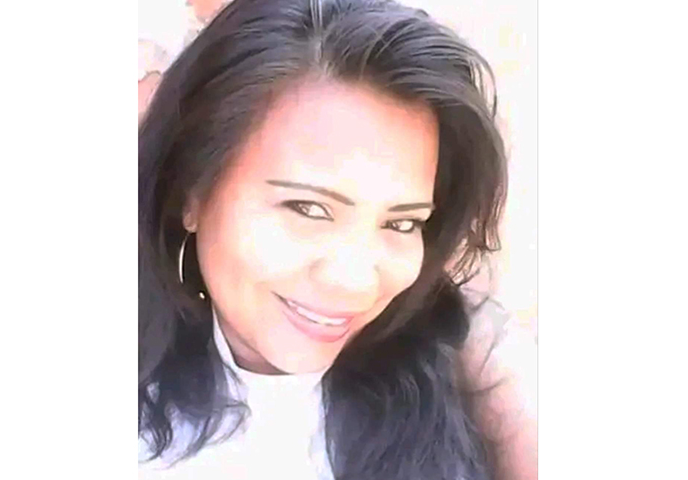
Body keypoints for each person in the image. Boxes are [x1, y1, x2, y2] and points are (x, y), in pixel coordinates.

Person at [138, 0, 537, 479]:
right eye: (308, 209)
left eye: (401, 223)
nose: (355, 281)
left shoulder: (471, 381)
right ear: (192, 191)